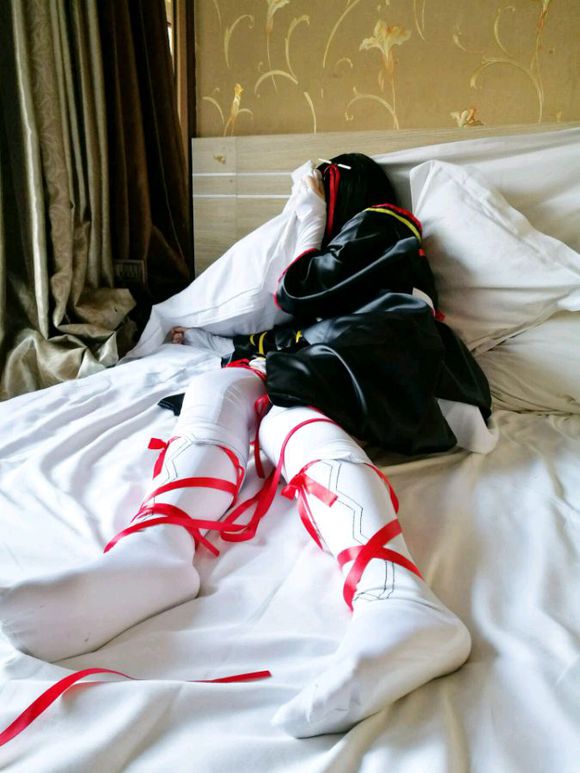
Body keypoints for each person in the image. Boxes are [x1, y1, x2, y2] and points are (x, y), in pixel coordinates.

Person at [0, 155, 496, 738]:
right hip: (359, 355)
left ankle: (393, 591)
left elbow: (302, 288)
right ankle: (158, 546)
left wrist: (305, 228)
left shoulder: (384, 220)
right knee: (238, 394)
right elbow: (292, 329)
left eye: (322, 189)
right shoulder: (363, 255)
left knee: (266, 401)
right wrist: (220, 340)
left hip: (402, 358)